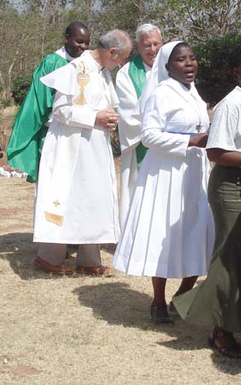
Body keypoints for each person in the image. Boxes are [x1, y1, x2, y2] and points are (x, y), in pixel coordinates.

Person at [174, 43, 241, 358]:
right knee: (229, 257)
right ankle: (217, 328)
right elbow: (216, 152)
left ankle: (240, 319)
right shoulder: (230, 105)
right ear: (237, 70)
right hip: (233, 187)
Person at [113, 41, 214, 324]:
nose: (190, 64)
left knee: (195, 230)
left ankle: (183, 294)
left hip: (193, 172)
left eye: (193, 58)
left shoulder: (192, 92)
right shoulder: (161, 94)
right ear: (167, 66)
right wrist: (190, 140)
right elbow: (149, 136)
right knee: (163, 233)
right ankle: (158, 300)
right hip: (166, 173)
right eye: (182, 60)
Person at [32, 30, 131, 275]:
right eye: (122, 58)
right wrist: (94, 116)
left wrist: (108, 119)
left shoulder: (104, 73)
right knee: (67, 199)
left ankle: (89, 259)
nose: (122, 64)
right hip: (71, 147)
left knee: (94, 198)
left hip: (95, 148)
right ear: (112, 52)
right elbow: (60, 111)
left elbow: (108, 105)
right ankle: (49, 257)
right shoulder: (76, 68)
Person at [7, 22, 90, 182]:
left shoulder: (86, 64)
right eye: (79, 41)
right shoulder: (53, 62)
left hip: (80, 134)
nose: (83, 47)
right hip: (55, 133)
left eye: (87, 42)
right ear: (66, 38)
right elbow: (39, 102)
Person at [115, 23, 163, 226]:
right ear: (137, 46)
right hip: (141, 145)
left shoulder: (172, 68)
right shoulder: (126, 74)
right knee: (138, 190)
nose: (153, 49)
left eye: (156, 44)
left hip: (170, 145)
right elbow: (128, 114)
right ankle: (134, 236)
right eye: (147, 45)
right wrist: (159, 128)